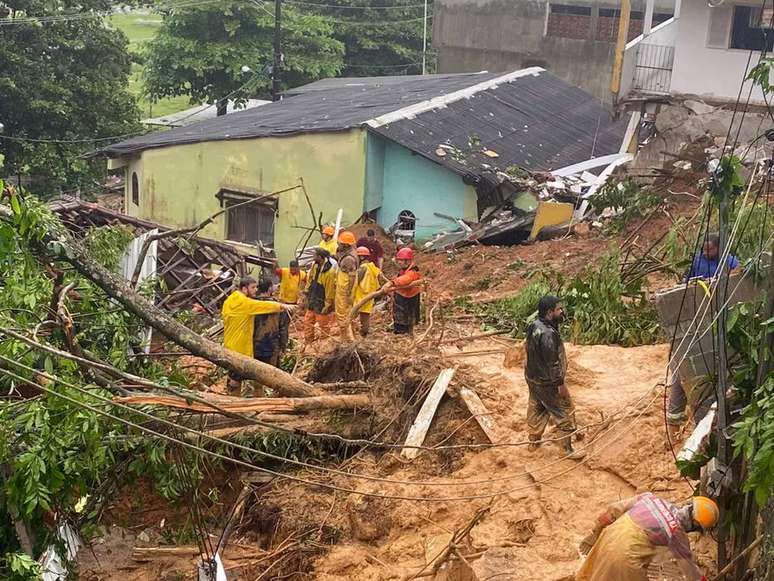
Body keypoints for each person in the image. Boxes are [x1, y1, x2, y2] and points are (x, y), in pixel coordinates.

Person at [669, 232, 741, 442]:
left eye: (710, 249)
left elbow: (738, 272)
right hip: (695, 323)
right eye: (704, 249)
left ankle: (699, 428)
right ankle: (674, 422)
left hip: (714, 322)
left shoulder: (727, 260)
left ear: (719, 248)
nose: (706, 252)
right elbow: (685, 282)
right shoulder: (697, 261)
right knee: (681, 374)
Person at [577, 493, 718, 581]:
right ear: (694, 525)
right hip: (626, 558)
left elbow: (611, 514)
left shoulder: (650, 498)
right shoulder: (676, 532)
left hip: (608, 538)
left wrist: (595, 535)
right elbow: (690, 571)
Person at [523, 295, 585, 459]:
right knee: (563, 409)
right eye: (559, 309)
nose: (562, 311)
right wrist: (560, 384)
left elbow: (527, 350)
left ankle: (533, 442)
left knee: (537, 407)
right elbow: (553, 363)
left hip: (533, 378)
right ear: (550, 312)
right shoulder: (549, 334)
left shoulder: (533, 325)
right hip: (548, 381)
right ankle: (567, 449)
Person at [222, 276, 294, 394]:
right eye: (253, 287)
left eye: (256, 287)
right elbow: (264, 307)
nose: (256, 289)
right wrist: (283, 306)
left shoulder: (230, 300)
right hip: (244, 348)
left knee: (234, 376)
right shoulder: (245, 303)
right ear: (244, 289)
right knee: (257, 378)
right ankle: (243, 404)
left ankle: (234, 402)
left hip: (233, 345)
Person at [381, 247, 421, 335]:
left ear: (408, 261)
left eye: (401, 260)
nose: (398, 262)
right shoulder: (404, 270)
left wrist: (391, 283)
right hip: (401, 297)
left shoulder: (413, 271)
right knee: (399, 320)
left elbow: (406, 279)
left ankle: (404, 334)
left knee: (406, 320)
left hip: (409, 299)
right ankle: (400, 332)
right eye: (398, 260)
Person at [303, 248, 336, 345]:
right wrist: (306, 291)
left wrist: (327, 305)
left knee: (323, 325)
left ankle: (323, 344)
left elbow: (329, 290)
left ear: (320, 257)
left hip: (321, 300)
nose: (313, 257)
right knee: (308, 321)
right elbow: (310, 279)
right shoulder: (315, 265)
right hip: (313, 297)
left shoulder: (330, 272)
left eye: (315, 255)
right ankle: (308, 342)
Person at [353, 246, 386, 337]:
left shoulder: (362, 268)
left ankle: (353, 331)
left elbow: (356, 281)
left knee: (353, 313)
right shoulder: (372, 267)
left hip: (360, 294)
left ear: (361, 257)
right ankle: (364, 332)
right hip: (370, 294)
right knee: (365, 314)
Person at [252, 278, 282, 368]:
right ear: (269, 288)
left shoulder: (251, 304)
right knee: (272, 371)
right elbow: (283, 327)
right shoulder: (277, 306)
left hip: (255, 344)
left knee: (257, 371)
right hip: (272, 344)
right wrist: (283, 345)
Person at [335, 230, 359, 340]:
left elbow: (352, 275)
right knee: (345, 310)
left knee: (342, 311)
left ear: (345, 245)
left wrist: (349, 291)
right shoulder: (348, 252)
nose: (338, 244)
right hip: (344, 283)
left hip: (346, 285)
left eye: (340, 242)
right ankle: (348, 335)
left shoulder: (349, 258)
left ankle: (346, 337)